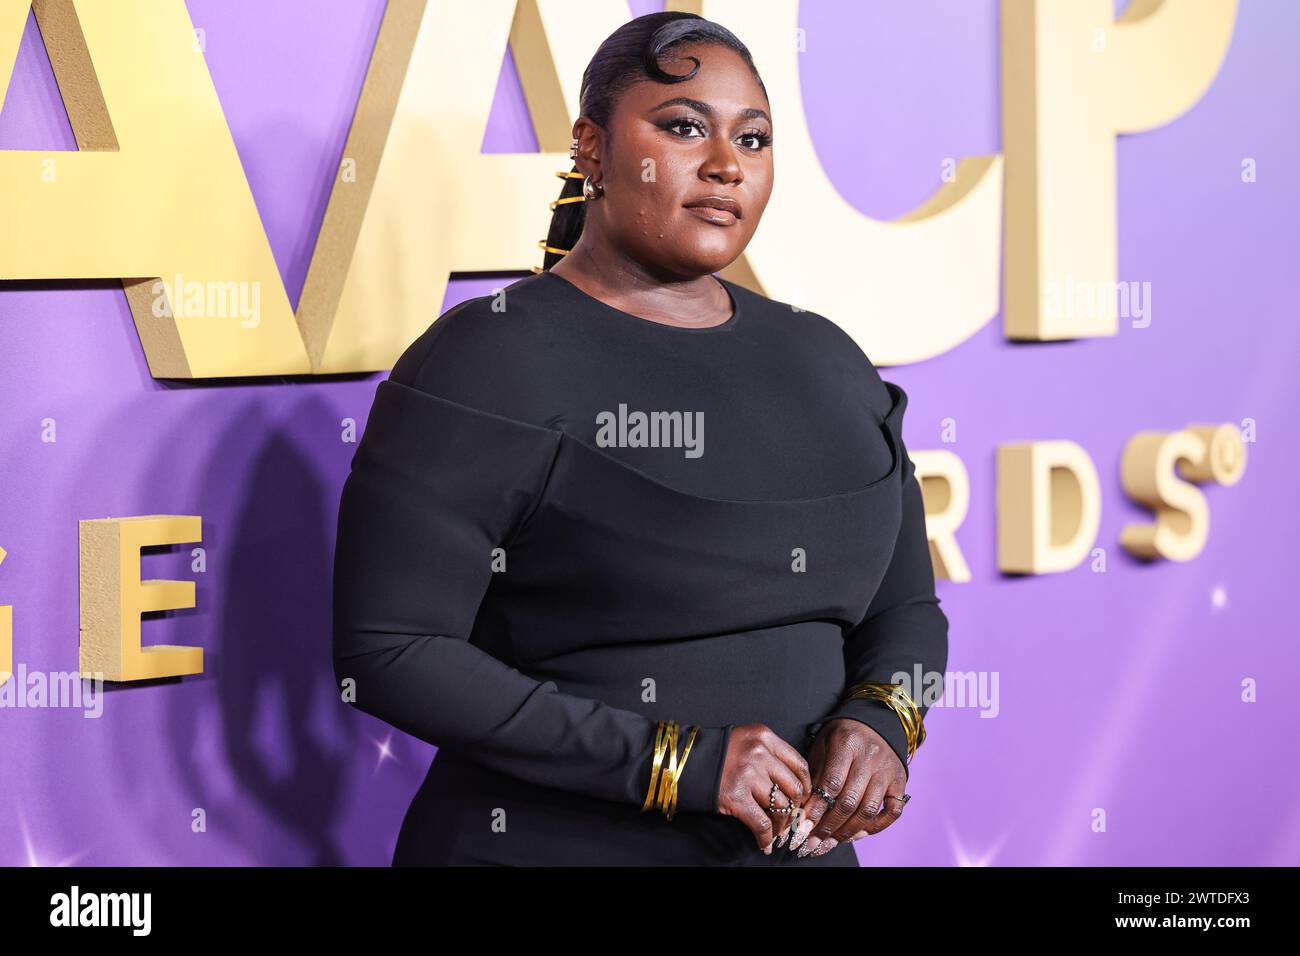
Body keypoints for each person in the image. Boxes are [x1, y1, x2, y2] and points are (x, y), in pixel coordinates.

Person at [332, 10, 948, 866]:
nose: (727, 164)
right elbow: (390, 652)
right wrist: (677, 764)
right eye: (684, 127)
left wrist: (882, 721)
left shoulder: (827, 359)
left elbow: (906, 610)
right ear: (589, 148)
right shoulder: (485, 362)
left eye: (755, 138)